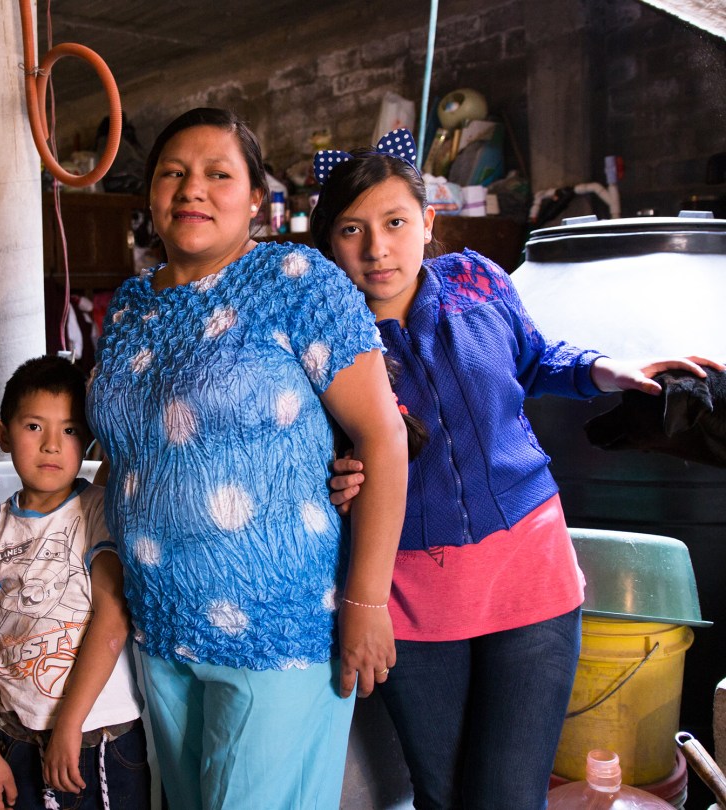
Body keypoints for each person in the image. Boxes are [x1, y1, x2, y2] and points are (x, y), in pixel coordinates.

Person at [309, 130, 723, 810]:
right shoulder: (326, 340)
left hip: (529, 578)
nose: (377, 249)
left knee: (507, 796)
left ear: (428, 222)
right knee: (444, 797)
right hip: (410, 597)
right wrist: (331, 481)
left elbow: (533, 355)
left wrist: (604, 368)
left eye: (394, 223)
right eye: (352, 230)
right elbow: (305, 455)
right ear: (330, 241)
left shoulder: (476, 278)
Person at [86, 107, 409, 809]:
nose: (191, 189)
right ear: (150, 197)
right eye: (173, 173)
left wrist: (366, 600)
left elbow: (383, 437)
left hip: (278, 624)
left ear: (257, 200)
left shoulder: (297, 279)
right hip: (161, 623)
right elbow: (126, 450)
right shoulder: (132, 305)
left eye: (217, 174)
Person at [0, 355, 150, 810]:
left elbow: (113, 621)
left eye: (69, 430)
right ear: (2, 434)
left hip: (97, 738)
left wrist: (69, 722)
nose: (52, 445)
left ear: (87, 442)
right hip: (17, 738)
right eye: (34, 427)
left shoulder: (97, 511)